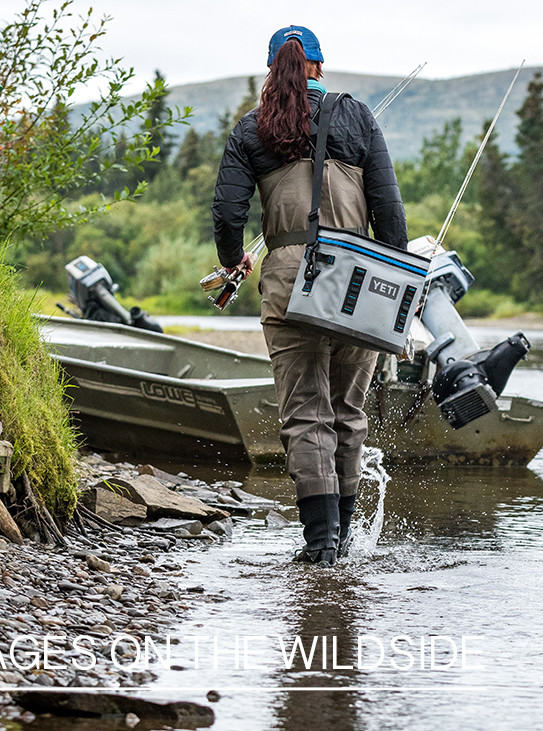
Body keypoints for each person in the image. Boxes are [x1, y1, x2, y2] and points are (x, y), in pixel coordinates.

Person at [212, 25, 407, 567]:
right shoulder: (357, 116)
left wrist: (234, 262)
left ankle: (318, 545)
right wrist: (395, 293)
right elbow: (390, 215)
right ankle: (343, 546)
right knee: (347, 410)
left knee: (306, 414)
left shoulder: (252, 130)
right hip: (358, 283)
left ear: (272, 69)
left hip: (287, 281)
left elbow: (228, 215)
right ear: (320, 65)